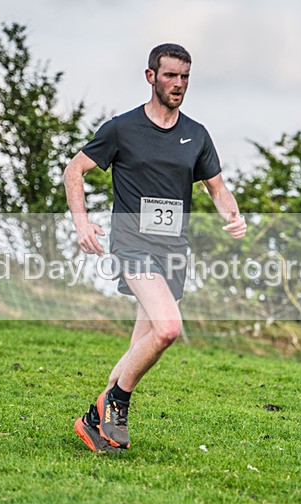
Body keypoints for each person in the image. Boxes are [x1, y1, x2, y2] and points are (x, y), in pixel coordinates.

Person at [64, 43, 246, 453]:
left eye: (184, 77)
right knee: (167, 328)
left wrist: (232, 214)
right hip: (132, 244)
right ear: (151, 77)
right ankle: (118, 404)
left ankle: (94, 422)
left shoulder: (196, 135)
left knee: (139, 346)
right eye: (170, 75)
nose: (178, 84)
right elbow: (74, 169)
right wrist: (81, 222)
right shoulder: (121, 129)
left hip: (173, 253)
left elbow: (217, 188)